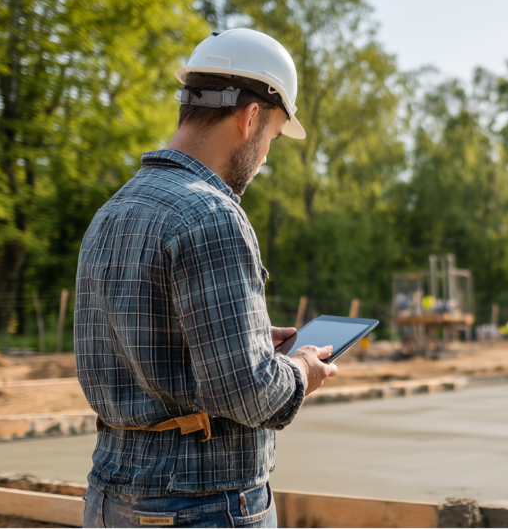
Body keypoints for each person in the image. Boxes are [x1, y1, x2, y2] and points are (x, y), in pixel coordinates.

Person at [75, 28, 337, 528]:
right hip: (201, 505)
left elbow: (148, 355)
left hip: (110, 499)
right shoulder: (212, 215)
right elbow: (248, 394)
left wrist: (252, 341)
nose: (264, 158)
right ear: (251, 117)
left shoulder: (110, 213)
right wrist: (301, 369)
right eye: (273, 139)